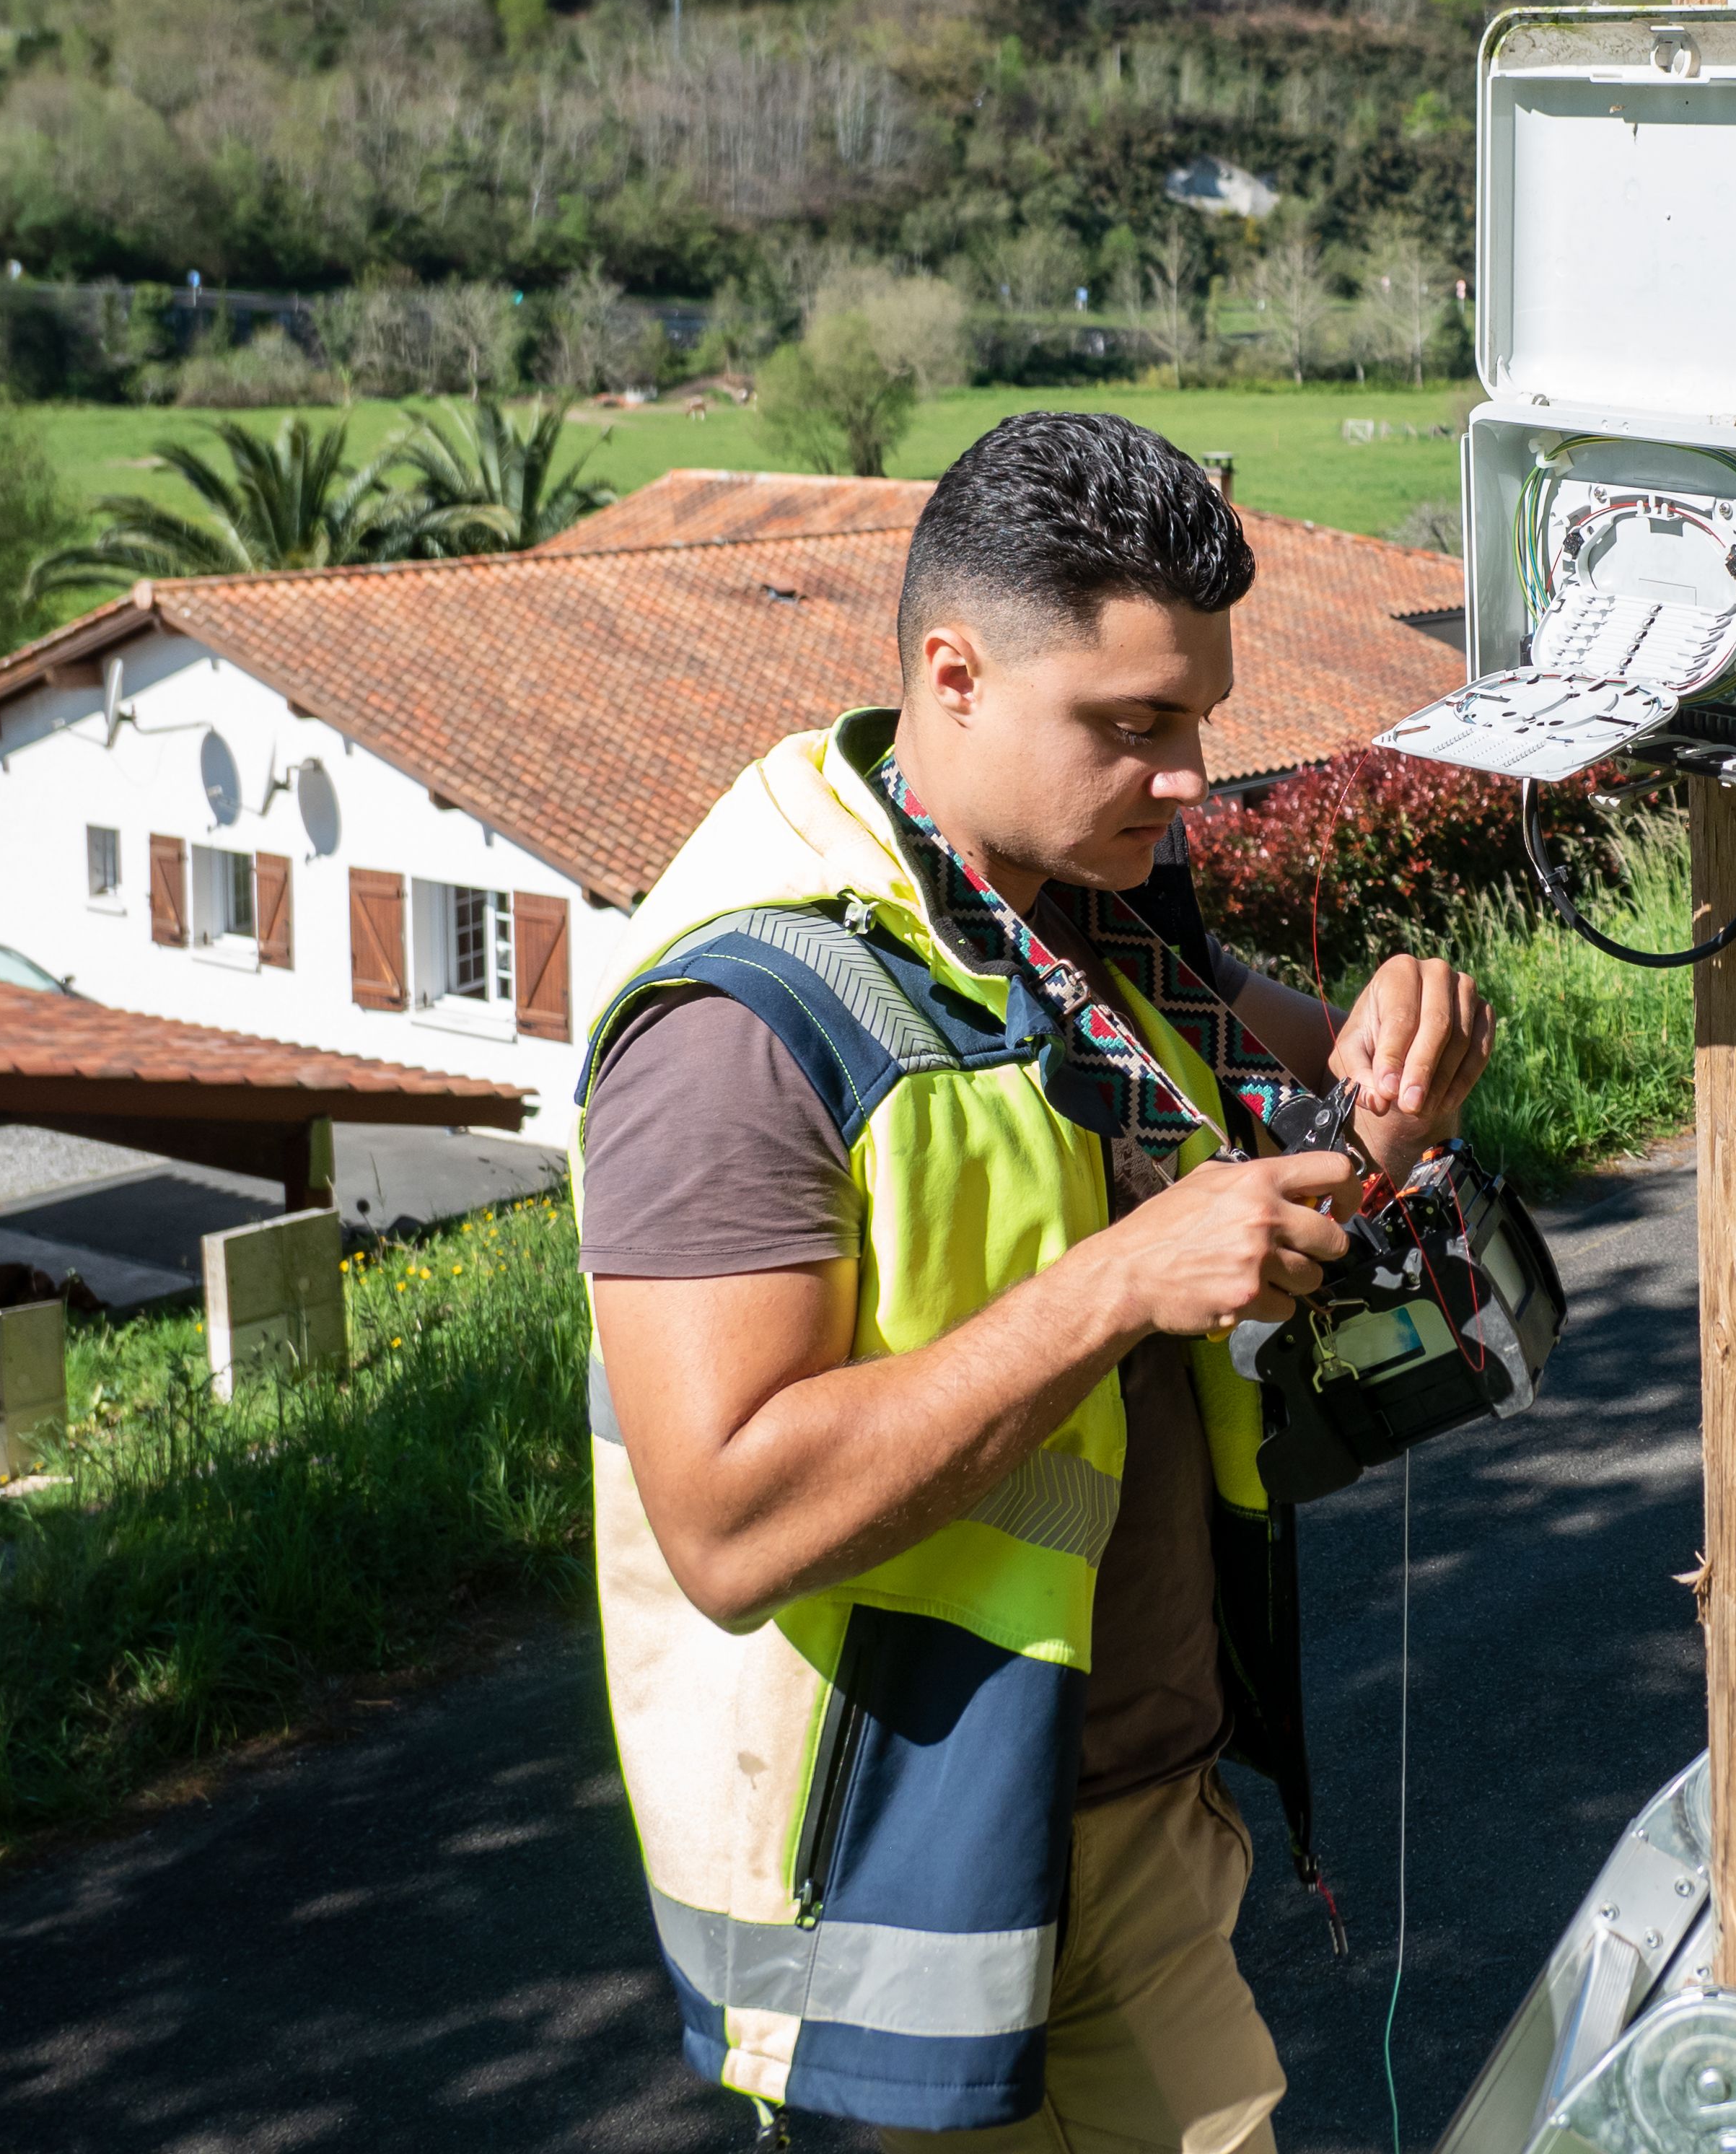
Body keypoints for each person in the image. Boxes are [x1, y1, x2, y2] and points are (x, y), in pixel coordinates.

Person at [577, 411, 1498, 2154]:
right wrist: (1115, 1283)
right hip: (926, 1872)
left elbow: (1316, 1103)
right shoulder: (734, 1038)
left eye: (1198, 722)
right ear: (955, 675)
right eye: (1132, 728)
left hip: (1137, 1821)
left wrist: (1403, 1075)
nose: (1188, 781)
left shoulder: (1068, 890)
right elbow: (727, 1527)